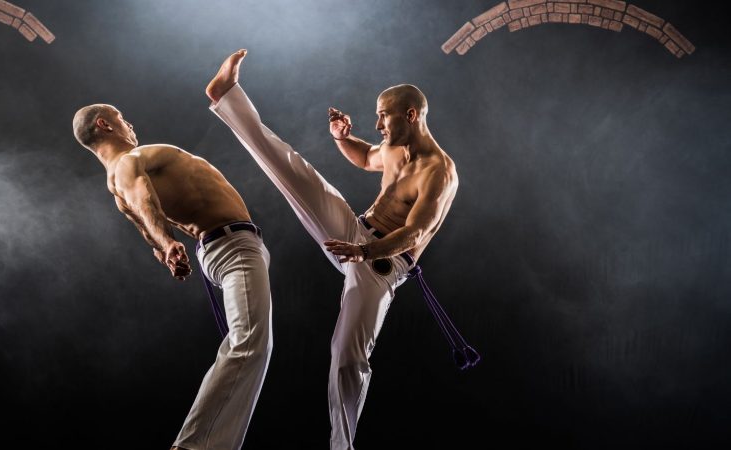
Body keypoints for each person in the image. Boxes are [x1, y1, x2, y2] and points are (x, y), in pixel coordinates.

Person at [206, 49, 460, 449]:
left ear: (410, 115)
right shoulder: (393, 148)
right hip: (354, 234)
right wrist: (343, 138)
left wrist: (363, 254)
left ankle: (342, 447)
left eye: (383, 116)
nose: (377, 124)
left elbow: (415, 232)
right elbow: (365, 158)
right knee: (295, 170)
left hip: (382, 266)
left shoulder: (439, 172)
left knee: (346, 359)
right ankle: (227, 95)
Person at [72, 103, 273, 450]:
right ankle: (193, 445)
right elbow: (144, 199)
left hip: (228, 245)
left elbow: (147, 226)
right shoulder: (127, 164)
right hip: (230, 244)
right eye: (122, 117)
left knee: (252, 345)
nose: (129, 122)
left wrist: (164, 248)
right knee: (249, 342)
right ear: (105, 124)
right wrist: (168, 244)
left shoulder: (117, 183)